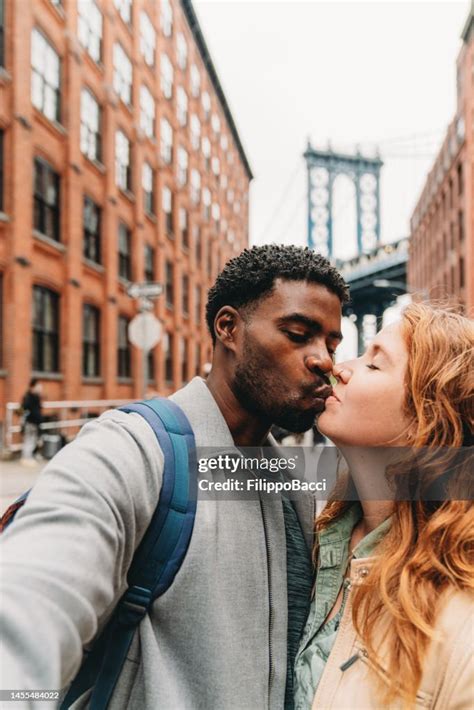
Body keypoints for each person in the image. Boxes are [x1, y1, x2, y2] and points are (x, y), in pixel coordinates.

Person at [0, 244, 349, 709]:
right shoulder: (132, 449)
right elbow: (26, 618)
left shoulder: (290, 480)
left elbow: (432, 478)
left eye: (330, 343)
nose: (323, 360)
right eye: (298, 333)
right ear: (229, 328)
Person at [294, 302, 474, 709]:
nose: (339, 367)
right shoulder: (315, 542)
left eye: (374, 365)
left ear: (428, 421)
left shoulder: (461, 623)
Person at [20, 378, 43, 465]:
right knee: (28, 440)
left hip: (36, 423)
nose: (40, 388)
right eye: (38, 386)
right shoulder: (28, 397)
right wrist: (23, 420)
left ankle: (31, 456)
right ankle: (26, 458)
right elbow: (22, 409)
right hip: (29, 423)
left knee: (35, 440)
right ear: (33, 387)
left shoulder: (37, 397)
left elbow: (39, 410)